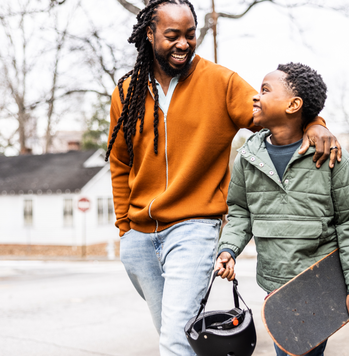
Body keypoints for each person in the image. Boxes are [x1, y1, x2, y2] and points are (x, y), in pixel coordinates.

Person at [106, 0, 341, 354]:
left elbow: (277, 112)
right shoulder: (127, 93)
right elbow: (120, 163)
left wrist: (315, 124)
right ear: (150, 34)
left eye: (189, 34)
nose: (184, 43)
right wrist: (124, 225)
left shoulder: (220, 82)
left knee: (174, 341)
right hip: (139, 237)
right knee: (179, 335)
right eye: (172, 35)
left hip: (193, 228)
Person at [215, 62, 349, 356]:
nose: (255, 96)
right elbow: (240, 212)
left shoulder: (330, 156)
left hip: (318, 280)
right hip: (275, 283)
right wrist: (228, 250)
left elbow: (346, 223)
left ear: (293, 105)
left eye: (264, 90)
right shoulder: (247, 158)